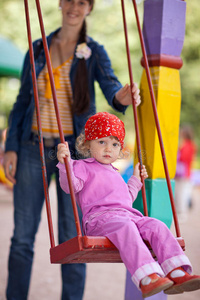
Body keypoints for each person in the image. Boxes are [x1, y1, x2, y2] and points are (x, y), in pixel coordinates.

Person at [3, 1, 141, 299]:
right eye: (70, 0)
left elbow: (111, 88)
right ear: (61, 4)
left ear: (89, 8)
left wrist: (124, 95)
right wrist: (11, 147)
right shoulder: (38, 47)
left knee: (75, 235)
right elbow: (22, 102)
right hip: (32, 146)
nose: (74, 7)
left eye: (82, 2)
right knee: (22, 237)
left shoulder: (93, 51)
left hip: (72, 153)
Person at [57, 112, 200, 299]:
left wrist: (136, 180)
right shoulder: (82, 166)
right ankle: (147, 278)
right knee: (126, 227)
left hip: (128, 216)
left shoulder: (115, 172)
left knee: (156, 225)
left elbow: (125, 200)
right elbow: (70, 186)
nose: (109, 149)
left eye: (115, 144)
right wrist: (64, 164)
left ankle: (176, 271)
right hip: (99, 220)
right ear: (87, 144)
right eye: (102, 142)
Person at [175, 124, 197, 222]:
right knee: (181, 193)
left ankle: (182, 214)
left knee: (181, 194)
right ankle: (180, 213)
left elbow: (183, 159)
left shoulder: (187, 145)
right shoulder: (189, 144)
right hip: (185, 173)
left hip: (183, 174)